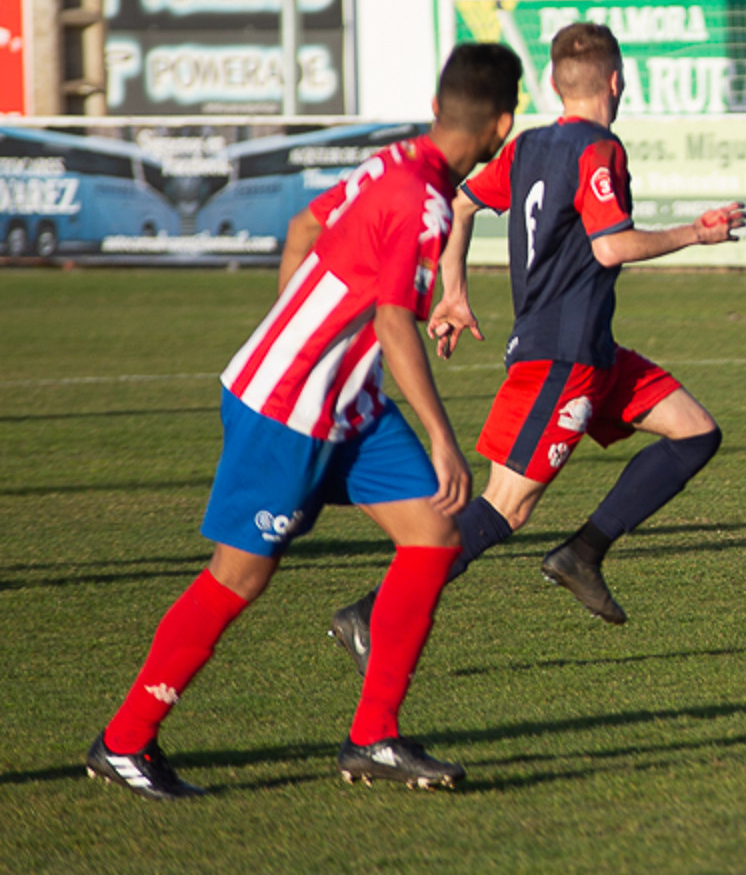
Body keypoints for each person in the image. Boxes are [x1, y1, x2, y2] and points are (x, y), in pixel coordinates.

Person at [86, 43, 523, 799]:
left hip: (349, 406)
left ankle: (374, 738)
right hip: (287, 410)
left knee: (432, 535)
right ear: (503, 126)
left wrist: (295, 324)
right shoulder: (423, 201)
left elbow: (300, 227)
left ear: (437, 107)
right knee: (241, 575)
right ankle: (124, 742)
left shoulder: (392, 163)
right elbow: (394, 323)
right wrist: (445, 440)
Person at [328, 22, 744, 670]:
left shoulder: (527, 147)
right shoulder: (599, 150)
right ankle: (372, 615)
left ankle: (583, 553)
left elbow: (462, 205)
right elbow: (611, 246)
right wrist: (697, 234)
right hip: (561, 359)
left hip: (594, 352)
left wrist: (453, 290)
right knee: (504, 507)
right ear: (616, 81)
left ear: (553, 84)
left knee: (694, 431)